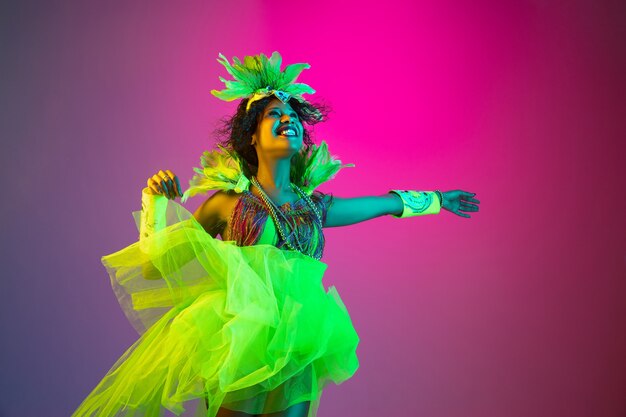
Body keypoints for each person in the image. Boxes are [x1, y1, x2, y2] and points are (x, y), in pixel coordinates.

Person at [72, 52, 480, 417]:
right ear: (250, 134)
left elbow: (381, 204)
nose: (287, 119)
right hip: (245, 336)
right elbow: (155, 268)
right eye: (272, 114)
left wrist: (437, 199)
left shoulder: (314, 207)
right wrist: (154, 205)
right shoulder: (227, 204)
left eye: (292, 115)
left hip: (301, 338)